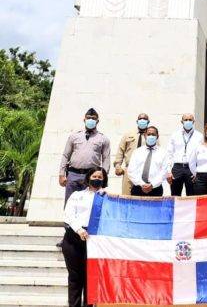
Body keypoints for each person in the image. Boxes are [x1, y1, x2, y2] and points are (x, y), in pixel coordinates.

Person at [62, 167, 107, 307]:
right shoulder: (77, 195)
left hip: (95, 241)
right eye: (94, 176)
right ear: (88, 178)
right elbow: (68, 214)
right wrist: (79, 229)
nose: (97, 179)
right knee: (75, 278)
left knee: (91, 278)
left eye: (100, 177)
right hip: (74, 239)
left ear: (104, 180)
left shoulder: (107, 198)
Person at [59, 108, 111, 204]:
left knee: (88, 203)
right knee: (70, 202)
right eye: (88, 118)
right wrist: (61, 174)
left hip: (91, 176)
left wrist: (103, 176)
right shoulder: (74, 136)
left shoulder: (103, 139)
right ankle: (68, 220)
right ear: (84, 120)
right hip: (73, 174)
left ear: (97, 121)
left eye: (93, 118)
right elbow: (66, 155)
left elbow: (106, 159)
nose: (91, 120)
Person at [114, 113, 153, 195]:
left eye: (145, 119)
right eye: (140, 119)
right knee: (126, 195)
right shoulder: (128, 134)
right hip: (129, 169)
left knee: (143, 196)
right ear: (137, 121)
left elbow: (157, 152)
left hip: (145, 171)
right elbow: (121, 151)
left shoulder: (152, 136)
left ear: (148, 121)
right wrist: (118, 165)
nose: (142, 120)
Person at [165, 113, 203, 196]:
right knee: (175, 195)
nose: (188, 121)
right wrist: (168, 171)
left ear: (193, 121)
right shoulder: (175, 135)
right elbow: (169, 154)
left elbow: (201, 156)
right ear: (181, 121)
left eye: (190, 120)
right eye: (186, 120)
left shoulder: (199, 136)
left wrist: (198, 172)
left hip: (191, 168)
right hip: (177, 168)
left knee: (192, 195)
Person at [128, 126, 169, 197]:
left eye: (153, 134)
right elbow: (131, 171)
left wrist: (152, 184)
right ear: (145, 135)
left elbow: (164, 172)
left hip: (156, 189)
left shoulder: (163, 153)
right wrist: (142, 184)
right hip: (138, 188)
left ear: (157, 136)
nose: (151, 136)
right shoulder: (137, 152)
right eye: (149, 134)